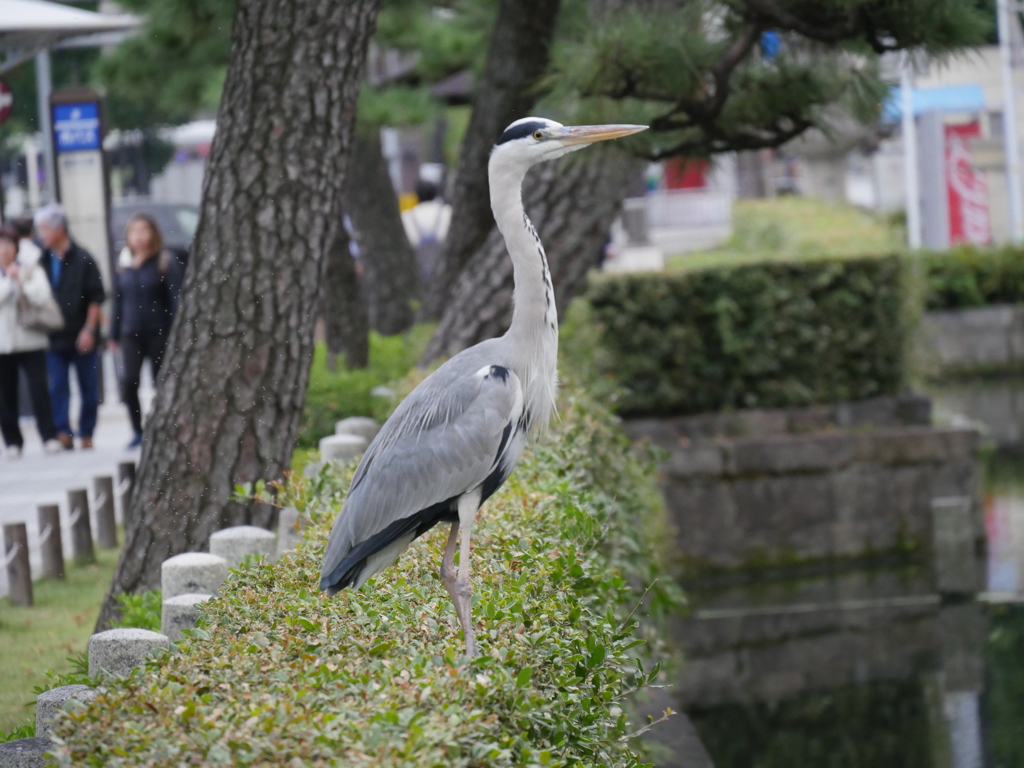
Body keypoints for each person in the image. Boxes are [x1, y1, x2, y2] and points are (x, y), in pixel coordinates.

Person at [35, 204, 106, 450]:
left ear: (60, 229)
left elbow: (96, 298)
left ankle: (87, 432)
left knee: (88, 387)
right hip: (54, 335)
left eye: (45, 229)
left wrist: (89, 330)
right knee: (57, 385)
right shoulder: (41, 260)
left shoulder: (84, 259)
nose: (41, 235)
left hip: (81, 332)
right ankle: (63, 430)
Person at [110, 214, 174, 448]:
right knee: (129, 382)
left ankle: (163, 427)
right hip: (130, 332)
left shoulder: (164, 262)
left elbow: (174, 299)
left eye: (143, 230)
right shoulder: (123, 264)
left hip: (158, 331)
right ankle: (137, 429)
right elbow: (117, 300)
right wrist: (113, 334)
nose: (138, 236)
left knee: (161, 381)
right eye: (133, 231)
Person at [0, 225, 62, 458]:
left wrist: (22, 282)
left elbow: (43, 295)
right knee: (6, 395)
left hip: (31, 341)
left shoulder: (30, 267)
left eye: (8, 244)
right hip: (3, 344)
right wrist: (10, 282)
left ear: (16, 246)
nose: (3, 250)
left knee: (39, 391)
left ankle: (49, 436)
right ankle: (12, 442)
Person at [401, 179, 451, 280]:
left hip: (417, 270)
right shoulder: (448, 211)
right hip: (445, 266)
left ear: (417, 196)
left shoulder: (406, 216)